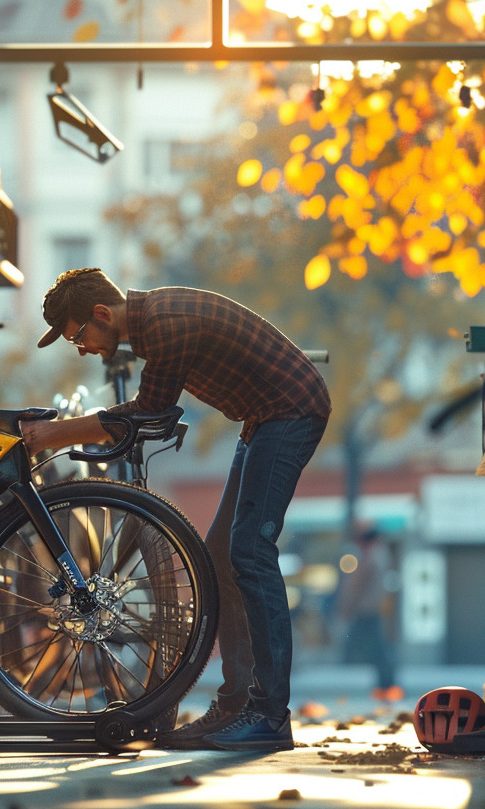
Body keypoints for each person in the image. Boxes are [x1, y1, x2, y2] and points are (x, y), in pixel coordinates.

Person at [23, 268, 331, 752]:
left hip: (289, 411)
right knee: (220, 558)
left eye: (78, 336)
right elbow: (153, 408)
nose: (79, 349)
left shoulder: (167, 324)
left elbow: (151, 412)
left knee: (250, 553)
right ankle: (234, 707)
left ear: (103, 314)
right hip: (263, 417)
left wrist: (54, 434)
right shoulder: (153, 324)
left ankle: (269, 715)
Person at [335, 525, 402, 703]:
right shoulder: (383, 553)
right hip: (373, 609)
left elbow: (358, 582)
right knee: (378, 648)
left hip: (366, 610)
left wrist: (347, 603)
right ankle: (386, 686)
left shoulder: (370, 555)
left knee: (374, 649)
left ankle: (387, 687)